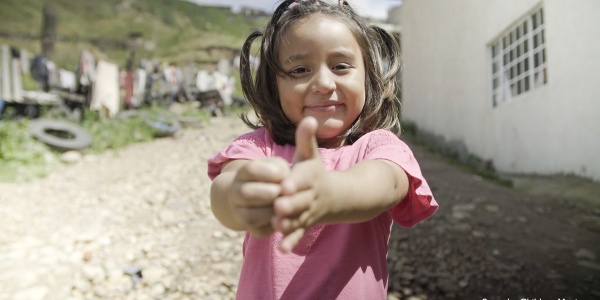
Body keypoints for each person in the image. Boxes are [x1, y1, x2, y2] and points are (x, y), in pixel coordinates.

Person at [207, 0, 438, 298]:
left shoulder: (379, 146)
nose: (323, 83)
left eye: (341, 66)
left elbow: (387, 182)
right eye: (300, 69)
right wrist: (241, 195)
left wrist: (329, 192)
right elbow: (224, 194)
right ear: (272, 85)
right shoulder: (257, 147)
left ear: (367, 76)